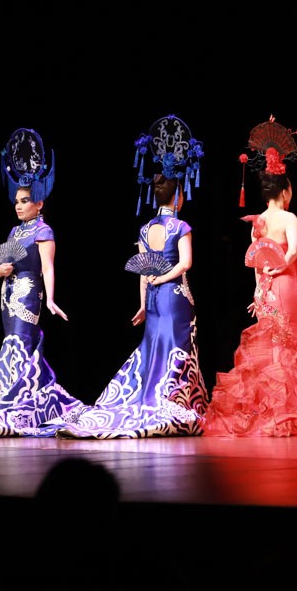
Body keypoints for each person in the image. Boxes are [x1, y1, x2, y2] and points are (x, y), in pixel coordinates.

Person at [56, 115, 208, 438]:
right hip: (174, 297)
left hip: (152, 299)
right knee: (175, 348)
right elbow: (186, 264)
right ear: (178, 195)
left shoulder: (145, 229)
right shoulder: (181, 226)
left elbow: (143, 271)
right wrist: (164, 280)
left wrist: (142, 304)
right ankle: (171, 402)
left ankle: (152, 398)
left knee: (155, 348)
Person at [204, 119, 297, 436]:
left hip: (266, 289)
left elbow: (256, 261)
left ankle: (274, 406)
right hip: (286, 284)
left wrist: (259, 289)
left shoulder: (258, 222)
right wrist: (281, 267)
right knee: (295, 342)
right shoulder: (289, 217)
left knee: (274, 346)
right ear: (285, 190)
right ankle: (292, 408)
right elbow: (293, 252)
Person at [0, 128, 86, 438]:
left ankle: (17, 402)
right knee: (11, 339)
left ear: (40, 203)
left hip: (29, 292)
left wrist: (51, 298)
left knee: (22, 341)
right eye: (17, 201)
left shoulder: (44, 231)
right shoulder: (13, 232)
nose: (19, 206)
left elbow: (47, 267)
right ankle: (17, 400)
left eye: (26, 201)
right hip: (7, 292)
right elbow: (1, 264)